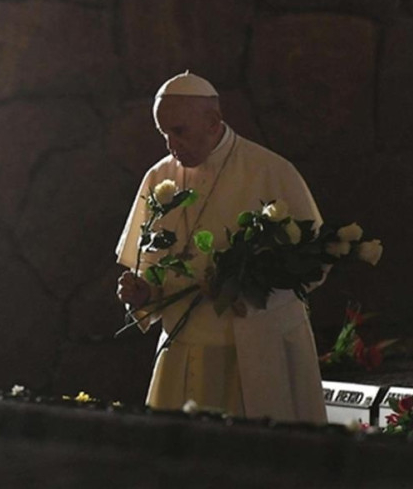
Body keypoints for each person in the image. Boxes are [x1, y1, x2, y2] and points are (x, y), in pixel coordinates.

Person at [115, 71, 327, 423]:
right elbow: (150, 265)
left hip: (257, 345)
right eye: (164, 134)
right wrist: (144, 292)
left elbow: (312, 265)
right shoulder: (158, 178)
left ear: (213, 122)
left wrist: (244, 284)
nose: (171, 145)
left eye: (179, 131)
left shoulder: (270, 170)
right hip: (184, 347)